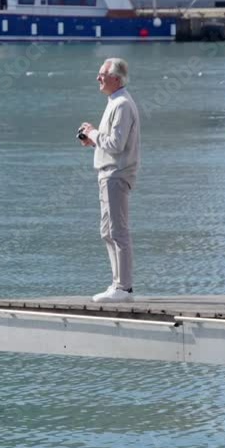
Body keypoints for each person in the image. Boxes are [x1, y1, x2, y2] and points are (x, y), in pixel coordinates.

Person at [78, 58, 140, 302]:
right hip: (108, 173)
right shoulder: (115, 102)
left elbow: (116, 144)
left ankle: (123, 288)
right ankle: (118, 284)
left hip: (116, 173)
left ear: (115, 78)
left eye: (102, 74)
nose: (98, 78)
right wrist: (93, 139)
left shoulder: (122, 104)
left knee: (118, 230)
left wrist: (93, 133)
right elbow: (112, 143)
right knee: (107, 230)